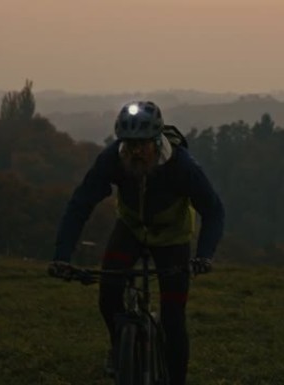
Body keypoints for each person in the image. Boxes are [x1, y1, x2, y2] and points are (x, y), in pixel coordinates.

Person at [48, 100, 225, 385]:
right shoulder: (112, 159)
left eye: (142, 144)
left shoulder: (182, 166)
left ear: (157, 141)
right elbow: (80, 204)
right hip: (130, 229)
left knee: (173, 318)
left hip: (172, 237)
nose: (135, 151)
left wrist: (204, 255)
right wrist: (61, 255)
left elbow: (214, 211)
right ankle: (119, 347)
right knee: (108, 295)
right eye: (129, 144)